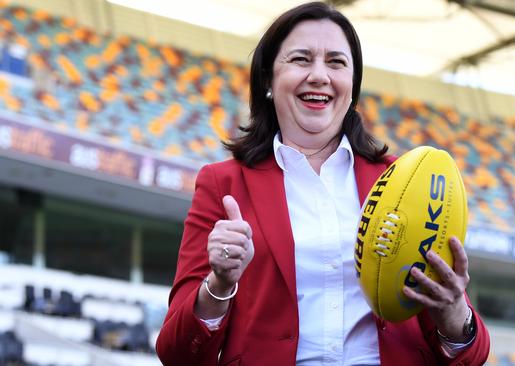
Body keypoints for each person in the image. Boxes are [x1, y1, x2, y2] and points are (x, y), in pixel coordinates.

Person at [156, 2, 490, 365]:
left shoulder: (405, 182)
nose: (320, 75)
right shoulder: (222, 183)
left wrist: (453, 312)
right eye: (301, 59)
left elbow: (471, 356)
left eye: (336, 62)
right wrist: (220, 285)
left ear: (352, 86)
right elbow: (176, 353)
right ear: (269, 78)